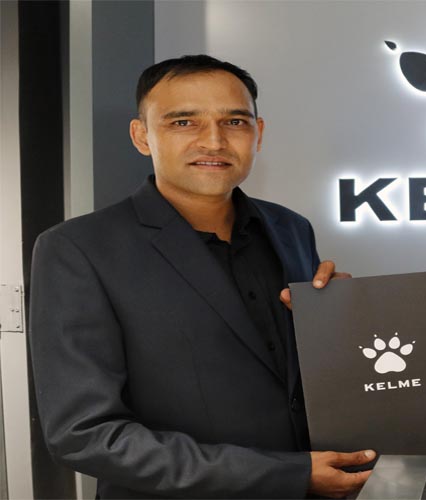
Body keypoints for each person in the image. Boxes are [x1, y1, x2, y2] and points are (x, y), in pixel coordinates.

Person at [29, 55, 373, 498]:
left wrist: (338, 327)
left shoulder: (291, 229)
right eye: (184, 122)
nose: (214, 141)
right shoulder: (79, 249)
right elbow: (85, 434)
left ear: (258, 133)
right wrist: (287, 475)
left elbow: (298, 383)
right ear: (141, 136)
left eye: (234, 122)